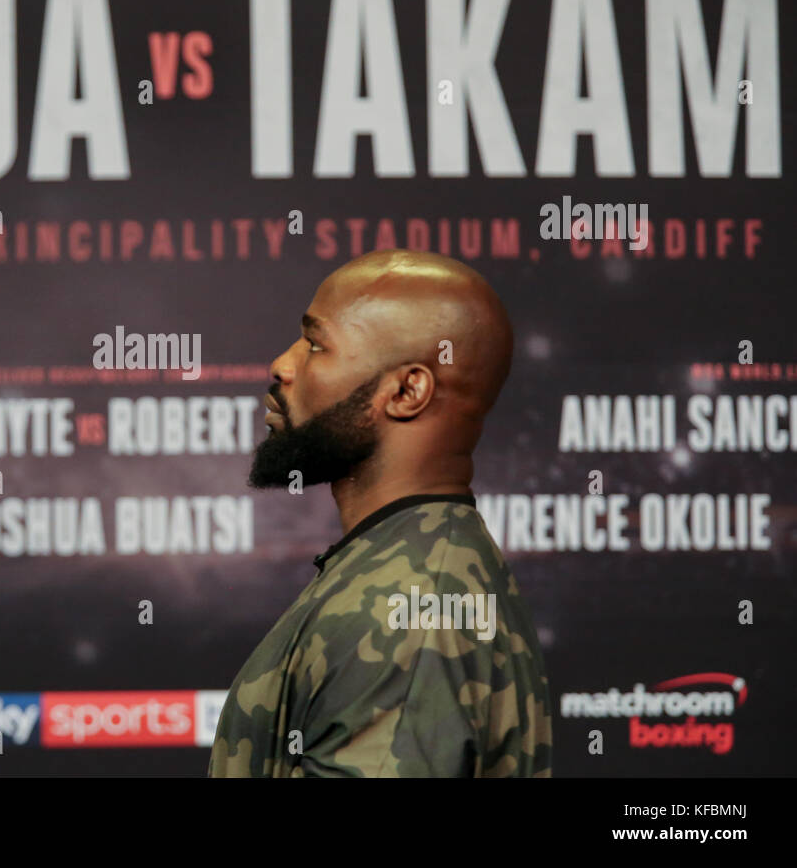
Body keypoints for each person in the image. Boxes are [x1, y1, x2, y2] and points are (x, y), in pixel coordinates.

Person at [209, 251, 551, 777]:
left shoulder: (410, 611)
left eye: (315, 344)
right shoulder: (411, 568)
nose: (282, 365)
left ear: (407, 391)